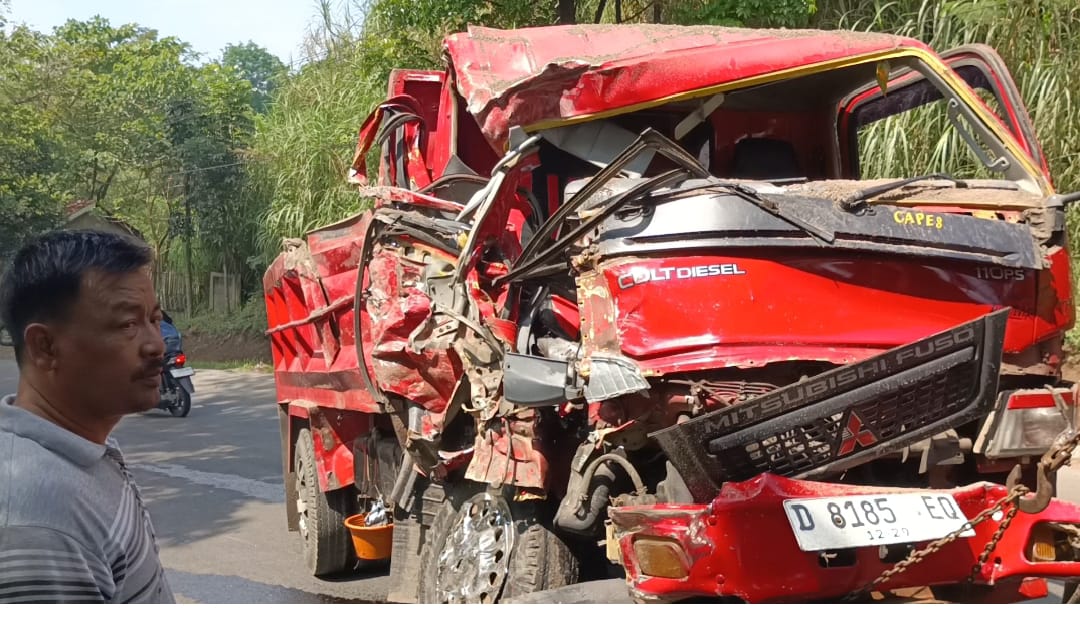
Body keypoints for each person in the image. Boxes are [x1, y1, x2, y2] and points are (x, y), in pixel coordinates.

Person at [0, 229, 175, 603]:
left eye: (154, 319)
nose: (156, 344)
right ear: (45, 347)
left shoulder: (83, 447)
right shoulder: (39, 523)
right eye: (127, 324)